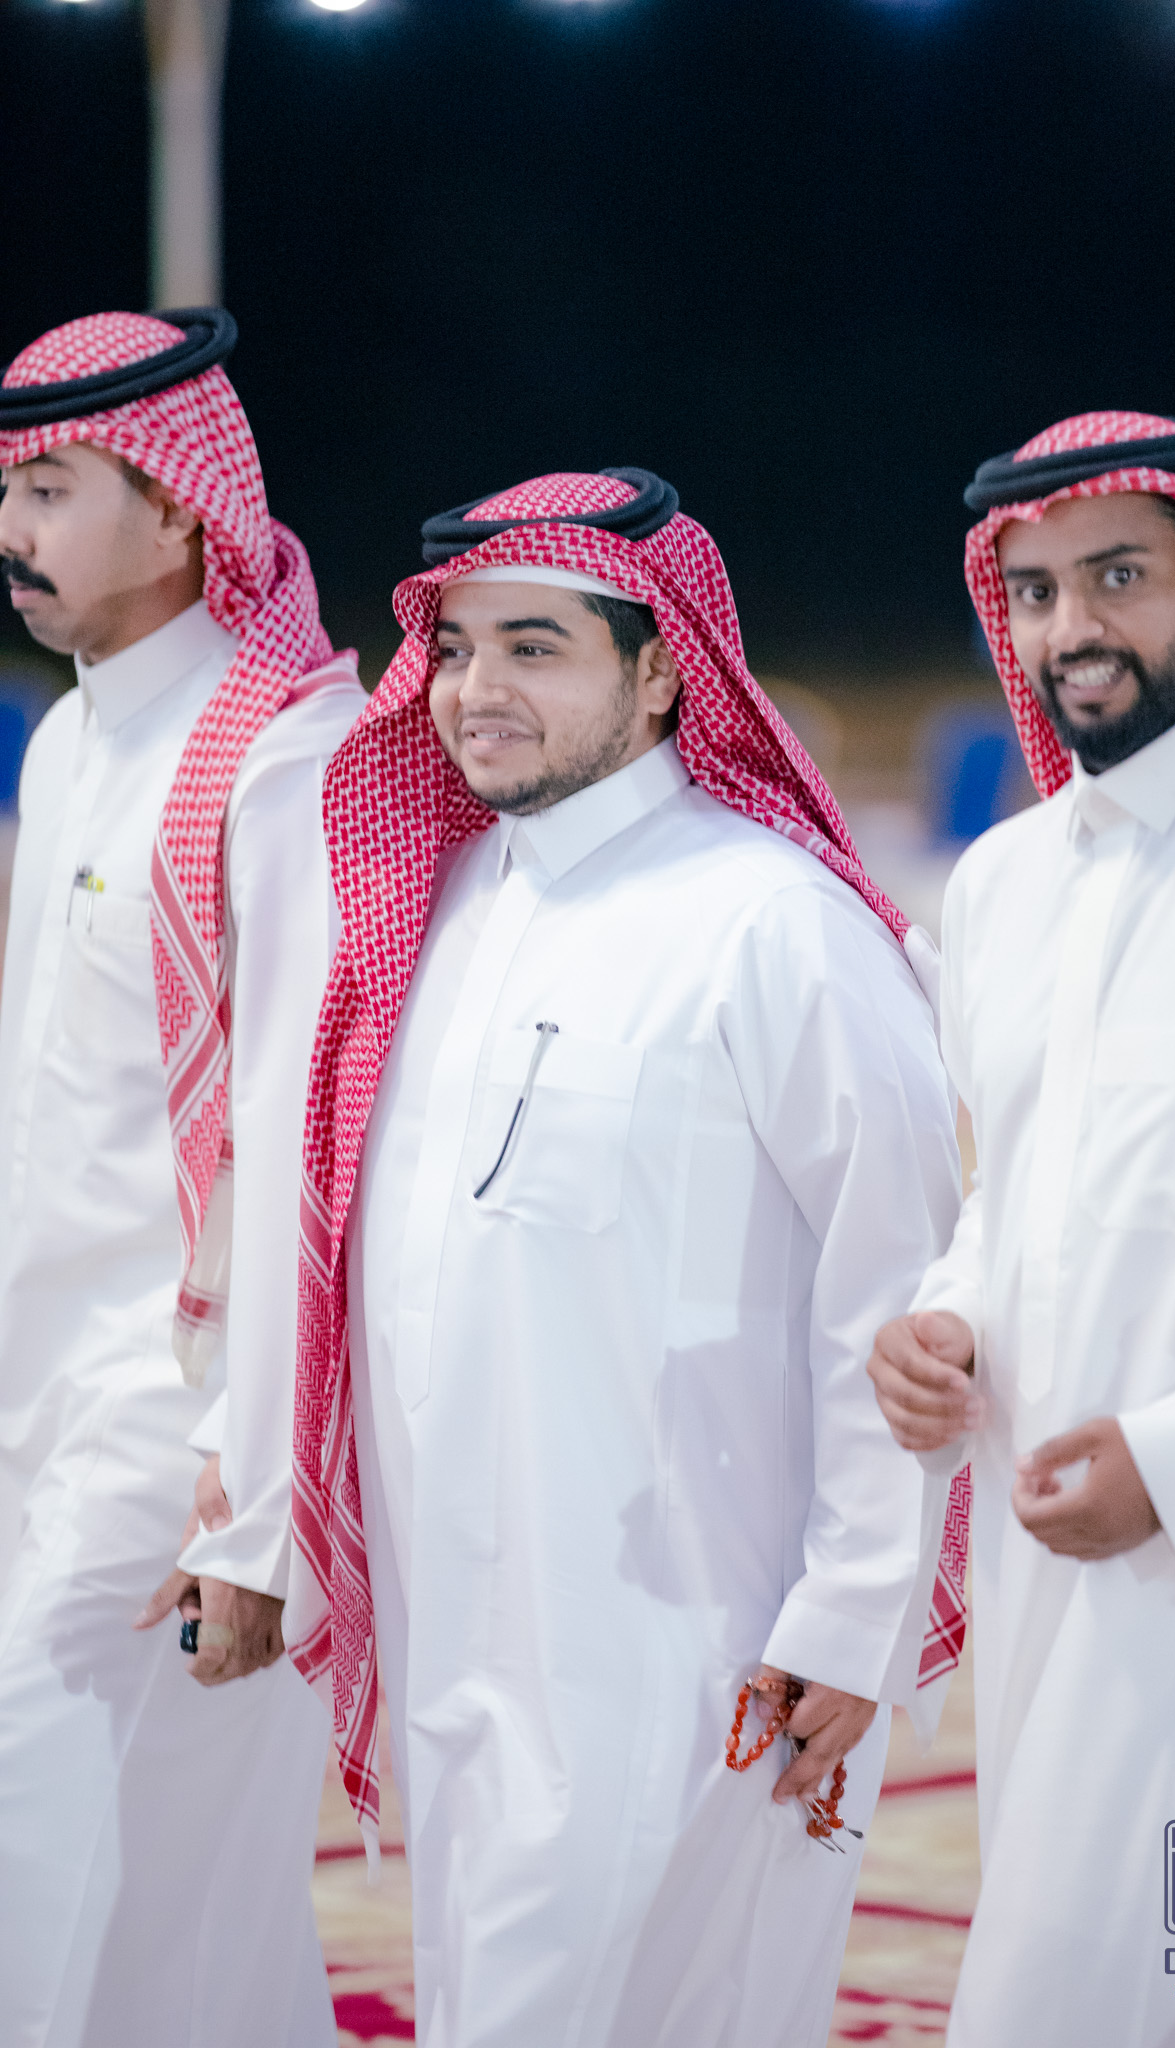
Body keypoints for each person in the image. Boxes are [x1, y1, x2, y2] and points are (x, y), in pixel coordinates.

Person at [287, 467, 970, 2048]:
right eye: (456, 648)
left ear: (661, 671)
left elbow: (899, 1289)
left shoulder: (771, 924)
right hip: (462, 1621)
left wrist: (849, 1613)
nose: (477, 688)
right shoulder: (440, 907)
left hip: (698, 1637)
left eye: (534, 647)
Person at [867, 412, 1175, 2045]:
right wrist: (947, 1323)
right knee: (1065, 1984)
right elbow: (1013, 1193)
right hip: (1049, 1596)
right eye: (1032, 592)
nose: (1069, 626)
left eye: (1116, 577)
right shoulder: (1001, 886)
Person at [0, 310, 364, 2048]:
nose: (12, 531)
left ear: (175, 505)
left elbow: (305, 1141)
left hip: (186, 1413)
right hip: (45, 1384)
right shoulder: (72, 744)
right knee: (186, 1893)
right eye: (6, 488)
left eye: (52, 488)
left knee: (40, 1802)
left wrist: (263, 1489)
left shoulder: (281, 758)